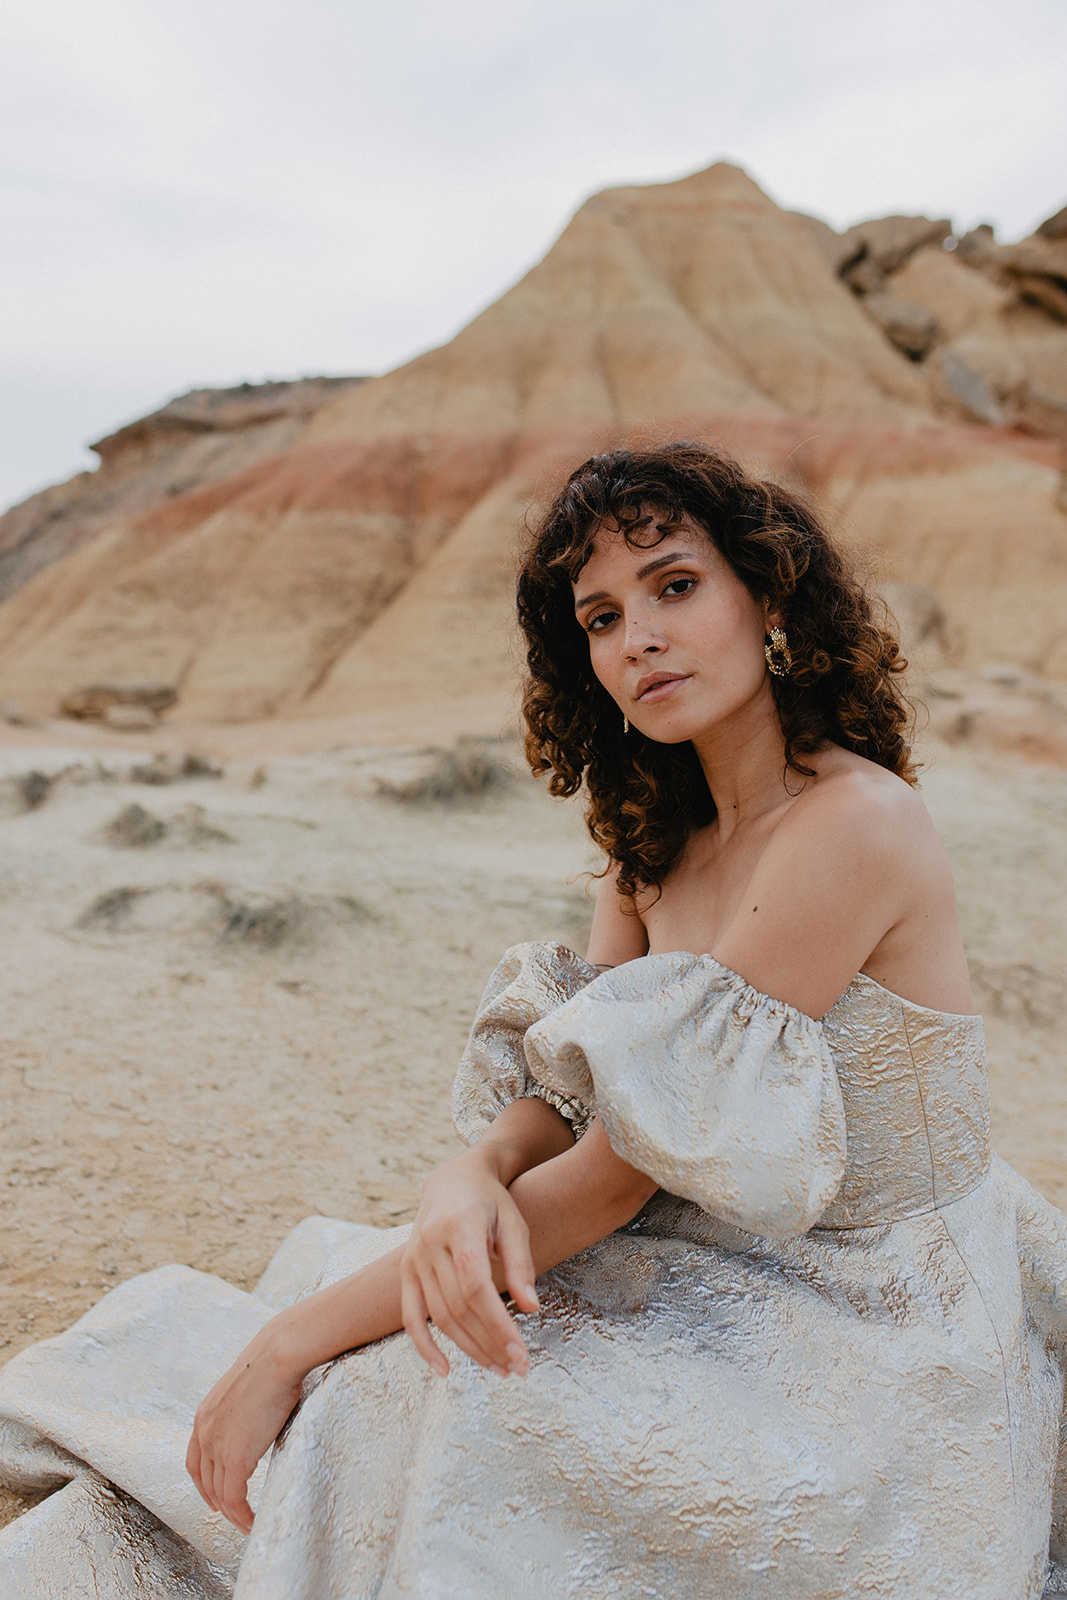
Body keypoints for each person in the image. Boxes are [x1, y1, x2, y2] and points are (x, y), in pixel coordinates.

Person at [2, 442, 1066, 1599]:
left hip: (876, 1308)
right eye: (600, 618)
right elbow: (571, 1098)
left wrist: (288, 1343)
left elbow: (610, 1180)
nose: (638, 638)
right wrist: (466, 1175)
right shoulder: (653, 839)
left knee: (406, 1379)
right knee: (387, 1319)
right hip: (708, 1245)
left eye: (673, 586)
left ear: (766, 600)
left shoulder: (851, 823)